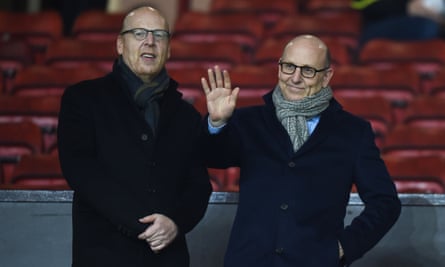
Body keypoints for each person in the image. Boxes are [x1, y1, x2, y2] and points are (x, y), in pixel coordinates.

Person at [200, 35, 401, 267]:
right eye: (289, 67)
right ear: (279, 68)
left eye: (307, 71)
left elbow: (386, 203)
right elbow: (213, 157)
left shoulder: (353, 132)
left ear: (326, 77)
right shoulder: (249, 122)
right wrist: (216, 123)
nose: (295, 78)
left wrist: (343, 247)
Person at [57, 6, 212, 267]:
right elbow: (81, 170)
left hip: (167, 258)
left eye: (159, 35)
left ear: (169, 49)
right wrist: (142, 222)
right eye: (139, 33)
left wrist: (175, 224)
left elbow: (199, 186)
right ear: (119, 44)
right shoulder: (83, 99)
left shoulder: (186, 115)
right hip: (103, 257)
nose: (149, 42)